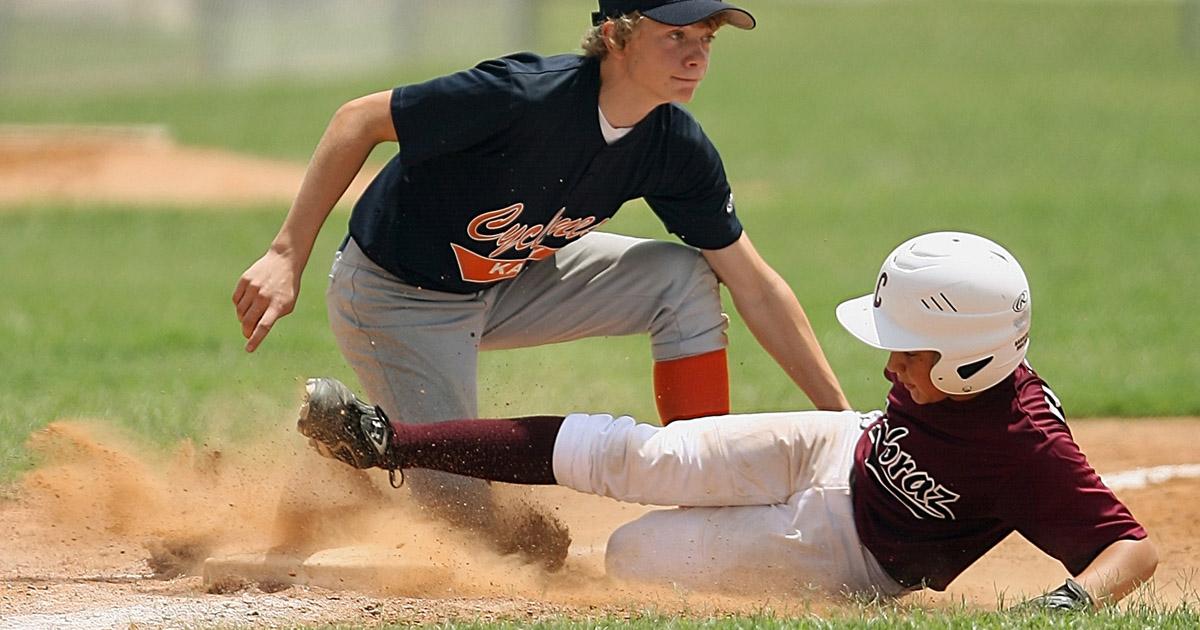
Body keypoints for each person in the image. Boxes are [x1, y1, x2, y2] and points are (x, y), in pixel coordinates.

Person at [232, 0, 850, 554]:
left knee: (682, 276)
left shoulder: (672, 145)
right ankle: (347, 454)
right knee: (470, 530)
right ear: (617, 36)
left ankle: (706, 489)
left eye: (706, 39)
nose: (695, 56)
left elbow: (756, 286)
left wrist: (846, 426)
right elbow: (356, 121)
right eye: (675, 35)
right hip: (397, 297)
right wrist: (286, 254)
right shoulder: (522, 96)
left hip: (510, 279)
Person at [296, 231, 1158, 608]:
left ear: (974, 358)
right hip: (840, 445)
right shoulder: (946, 374)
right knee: (639, 455)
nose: (891, 362)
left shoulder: (1028, 448)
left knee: (638, 554)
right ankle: (383, 441)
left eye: (911, 351)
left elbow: (1132, 546)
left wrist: (1066, 605)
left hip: (858, 553)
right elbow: (893, 396)